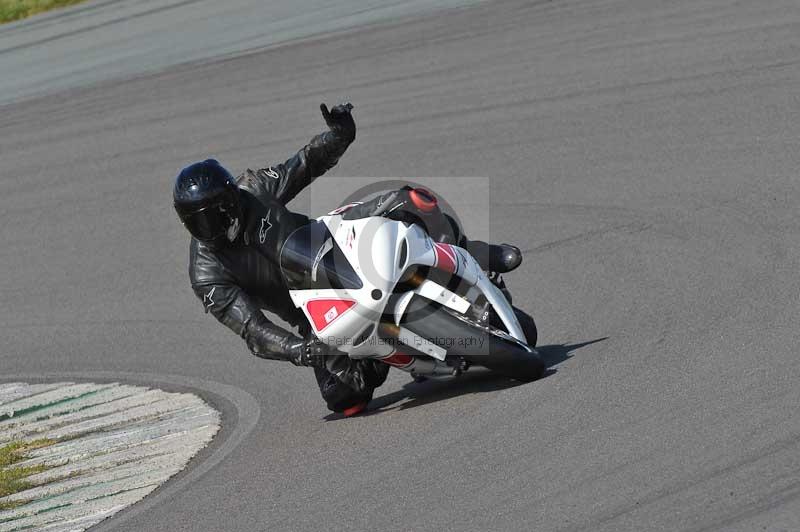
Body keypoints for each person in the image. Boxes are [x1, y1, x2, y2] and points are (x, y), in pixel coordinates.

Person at [173, 102, 523, 416]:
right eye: (199, 221)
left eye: (217, 213)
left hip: (335, 243)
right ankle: (390, 351)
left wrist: (340, 135)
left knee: (408, 201)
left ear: (232, 199)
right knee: (344, 398)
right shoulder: (206, 275)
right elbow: (253, 330)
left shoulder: (254, 188)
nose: (212, 226)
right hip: (315, 314)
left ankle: (475, 253)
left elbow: (304, 164)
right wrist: (299, 349)